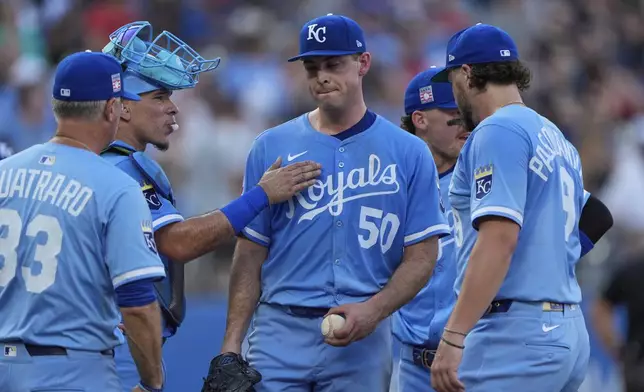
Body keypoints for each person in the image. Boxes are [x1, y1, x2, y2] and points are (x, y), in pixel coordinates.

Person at [215, 14, 450, 392]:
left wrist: (375, 311)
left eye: (334, 64)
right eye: (313, 67)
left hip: (364, 337)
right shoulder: (271, 146)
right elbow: (250, 252)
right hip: (279, 329)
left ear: (363, 64)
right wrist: (230, 344)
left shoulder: (408, 152)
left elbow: (423, 256)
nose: (322, 76)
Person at [100, 21, 322, 392]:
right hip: (113, 347)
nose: (173, 109)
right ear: (121, 108)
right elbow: (178, 243)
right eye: (159, 97)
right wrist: (261, 195)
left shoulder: (112, 161)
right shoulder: (120, 167)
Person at [428, 24, 613, 392]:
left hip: (514, 334)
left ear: (466, 74)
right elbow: (595, 216)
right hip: (564, 327)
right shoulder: (552, 134)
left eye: (451, 82)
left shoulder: (498, 131)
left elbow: (498, 241)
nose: (453, 93)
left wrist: (453, 337)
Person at [0, 51, 166, 391]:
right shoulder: (117, 187)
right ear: (110, 109)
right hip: (71, 370)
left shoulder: (4, 172)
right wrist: (152, 382)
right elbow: (136, 303)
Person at [393, 66, 467, 392]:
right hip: (412, 366)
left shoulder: (489, 173)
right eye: (454, 113)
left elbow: (593, 216)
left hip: (475, 361)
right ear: (420, 120)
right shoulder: (387, 187)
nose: (466, 123)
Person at [592, 254, 644, 392]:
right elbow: (601, 307)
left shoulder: (634, 269)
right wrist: (615, 345)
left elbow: (601, 308)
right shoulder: (635, 270)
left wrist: (616, 347)